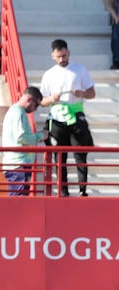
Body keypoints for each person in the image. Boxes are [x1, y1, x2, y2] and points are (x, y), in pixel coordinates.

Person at [41, 39, 97, 197]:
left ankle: (82, 190)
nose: (62, 59)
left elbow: (92, 93)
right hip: (57, 116)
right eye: (58, 56)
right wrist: (52, 98)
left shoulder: (80, 69)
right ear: (53, 55)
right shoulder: (49, 74)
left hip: (76, 114)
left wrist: (82, 93)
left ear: (69, 52)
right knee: (60, 155)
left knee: (80, 153)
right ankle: (63, 190)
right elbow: (42, 102)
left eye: (64, 55)